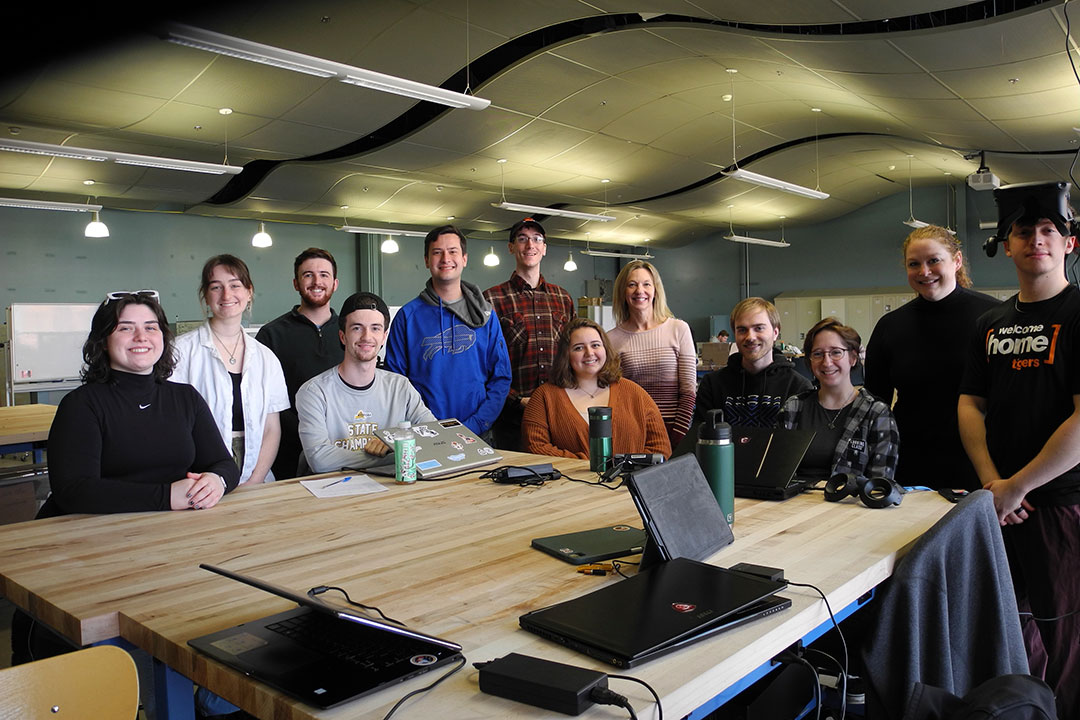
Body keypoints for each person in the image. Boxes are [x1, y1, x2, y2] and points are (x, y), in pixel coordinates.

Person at [958, 181, 1080, 717]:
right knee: (1013, 626)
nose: (1037, 240)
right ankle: (1027, 709)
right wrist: (993, 484)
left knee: (1067, 632)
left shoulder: (1078, 314)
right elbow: (970, 405)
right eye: (1023, 232)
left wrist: (1017, 486)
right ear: (1005, 245)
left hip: (1061, 505)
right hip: (1000, 506)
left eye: (1049, 230)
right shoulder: (990, 324)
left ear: (1069, 244)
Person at [44, 290, 239, 516]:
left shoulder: (186, 398)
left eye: (150, 327)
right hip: (95, 535)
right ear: (104, 341)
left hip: (171, 530)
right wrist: (166, 496)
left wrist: (217, 481)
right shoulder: (81, 404)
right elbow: (73, 491)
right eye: (125, 328)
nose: (141, 337)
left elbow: (224, 464)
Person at [864, 226, 998, 490]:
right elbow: (875, 404)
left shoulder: (992, 317)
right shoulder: (890, 326)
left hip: (979, 462)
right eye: (914, 264)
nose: (924, 272)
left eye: (934, 260)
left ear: (957, 261)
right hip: (910, 463)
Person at [172, 255, 289, 485]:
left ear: (249, 292)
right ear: (205, 295)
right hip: (197, 476)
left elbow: (271, 429)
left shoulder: (266, 358)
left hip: (258, 473)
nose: (227, 295)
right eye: (216, 287)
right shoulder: (179, 352)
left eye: (235, 285)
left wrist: (254, 481)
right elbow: (172, 426)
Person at [385, 225, 511, 438]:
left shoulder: (486, 316)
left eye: (453, 251)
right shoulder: (407, 317)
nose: (445, 258)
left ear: (464, 259)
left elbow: (501, 377)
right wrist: (423, 424)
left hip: (478, 433)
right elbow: (395, 382)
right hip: (423, 432)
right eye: (437, 252)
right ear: (426, 260)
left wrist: (478, 423)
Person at [297, 292, 435, 473]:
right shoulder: (314, 392)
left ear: (384, 336)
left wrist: (391, 442)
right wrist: (397, 453)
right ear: (342, 336)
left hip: (391, 491)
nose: (366, 337)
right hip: (331, 492)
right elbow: (320, 460)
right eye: (357, 328)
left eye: (375, 328)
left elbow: (434, 438)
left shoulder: (400, 387)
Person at [483, 218, 574, 450]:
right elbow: (482, 363)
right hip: (512, 418)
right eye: (522, 239)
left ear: (544, 248)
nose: (530, 245)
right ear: (511, 247)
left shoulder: (562, 298)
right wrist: (516, 400)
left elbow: (574, 355)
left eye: (536, 239)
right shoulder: (491, 299)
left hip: (558, 412)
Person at [523, 317, 671, 459]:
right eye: (579, 348)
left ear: (605, 349)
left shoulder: (635, 393)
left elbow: (660, 448)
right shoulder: (544, 396)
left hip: (629, 483)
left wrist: (624, 468)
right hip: (570, 484)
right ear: (566, 355)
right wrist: (587, 465)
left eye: (595, 345)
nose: (589, 353)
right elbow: (535, 447)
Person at [256, 248, 344, 480]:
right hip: (289, 455)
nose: (317, 282)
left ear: (335, 283)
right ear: (296, 283)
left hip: (344, 449)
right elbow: (263, 401)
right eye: (308, 275)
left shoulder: (351, 331)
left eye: (324, 275)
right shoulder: (271, 335)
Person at [780, 318, 899, 483]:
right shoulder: (793, 408)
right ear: (810, 362)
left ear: (852, 358)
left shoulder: (876, 414)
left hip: (851, 504)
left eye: (836, 352)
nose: (827, 362)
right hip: (795, 504)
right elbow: (777, 472)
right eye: (818, 354)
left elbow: (880, 485)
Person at [607, 260, 696, 446]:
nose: (640, 291)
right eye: (632, 285)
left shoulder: (678, 329)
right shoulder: (612, 339)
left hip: (674, 431)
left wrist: (676, 437)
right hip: (634, 433)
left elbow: (688, 392)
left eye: (646, 284)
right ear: (623, 292)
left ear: (655, 290)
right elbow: (616, 396)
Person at [695, 297, 812, 428]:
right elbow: (701, 440)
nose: (750, 337)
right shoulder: (712, 385)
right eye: (742, 330)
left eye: (759, 328)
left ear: (775, 332)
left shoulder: (799, 388)